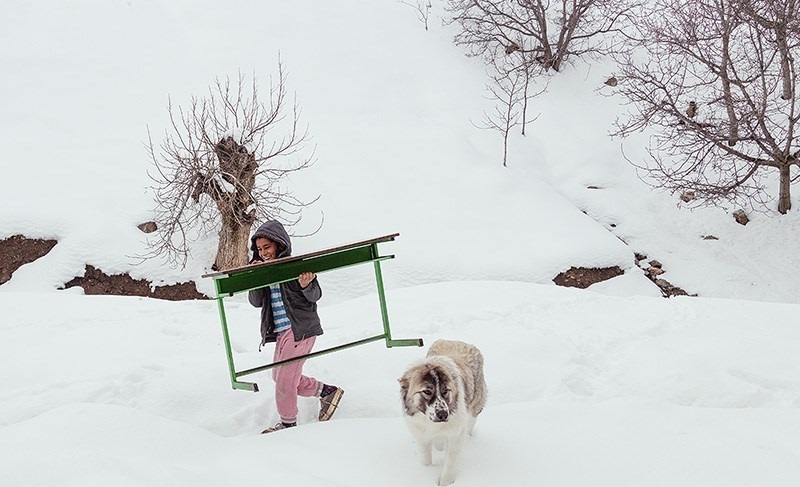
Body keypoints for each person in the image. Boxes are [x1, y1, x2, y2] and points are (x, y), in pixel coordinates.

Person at [247, 220, 344, 434]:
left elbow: (315, 295)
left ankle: (288, 425)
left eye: (268, 247)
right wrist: (254, 279)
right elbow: (256, 302)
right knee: (279, 377)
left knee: (284, 380)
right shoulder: (263, 271)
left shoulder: (295, 266)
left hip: (300, 329)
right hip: (282, 333)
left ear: (279, 245)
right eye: (260, 249)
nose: (264, 253)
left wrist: (306, 284)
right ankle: (327, 392)